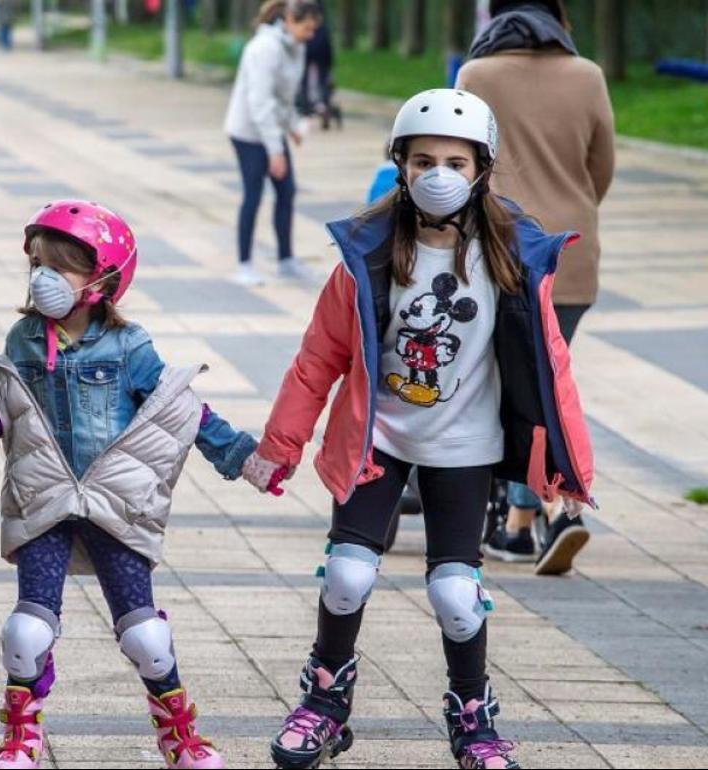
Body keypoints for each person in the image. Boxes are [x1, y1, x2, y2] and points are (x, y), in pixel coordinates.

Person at [241, 89, 595, 769]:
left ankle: (474, 720)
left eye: (456, 162)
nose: (439, 174)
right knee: (346, 575)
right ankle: (323, 703)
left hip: (466, 448)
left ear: (482, 170)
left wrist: (568, 471)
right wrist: (279, 446)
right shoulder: (368, 255)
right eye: (423, 159)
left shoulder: (512, 258)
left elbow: (553, 368)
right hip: (379, 440)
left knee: (455, 594)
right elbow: (319, 359)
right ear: (400, 165)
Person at [0, 201, 261, 770]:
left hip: (114, 504)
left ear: (102, 277)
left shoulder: (129, 346)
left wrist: (243, 457)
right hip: (45, 500)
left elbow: (179, 409)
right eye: (37, 263)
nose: (43, 277)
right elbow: (0, 414)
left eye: (59, 267)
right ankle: (21, 735)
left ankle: (179, 734)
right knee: (26, 629)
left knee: (146, 637)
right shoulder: (22, 340)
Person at [458, 0, 614, 575]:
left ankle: (522, 520)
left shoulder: (476, 76)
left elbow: (459, 160)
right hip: (572, 254)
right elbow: (602, 167)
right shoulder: (589, 76)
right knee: (549, 379)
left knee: (504, 385)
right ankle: (539, 512)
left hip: (498, 250)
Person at [223, 0, 323, 287]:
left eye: (313, 29)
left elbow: (284, 99)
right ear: (290, 19)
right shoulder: (263, 49)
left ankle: (285, 260)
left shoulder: (297, 47)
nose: (310, 35)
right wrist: (275, 151)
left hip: (270, 129)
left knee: (287, 191)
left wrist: (293, 126)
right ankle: (243, 265)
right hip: (247, 130)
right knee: (253, 194)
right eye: (306, 28)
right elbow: (260, 103)